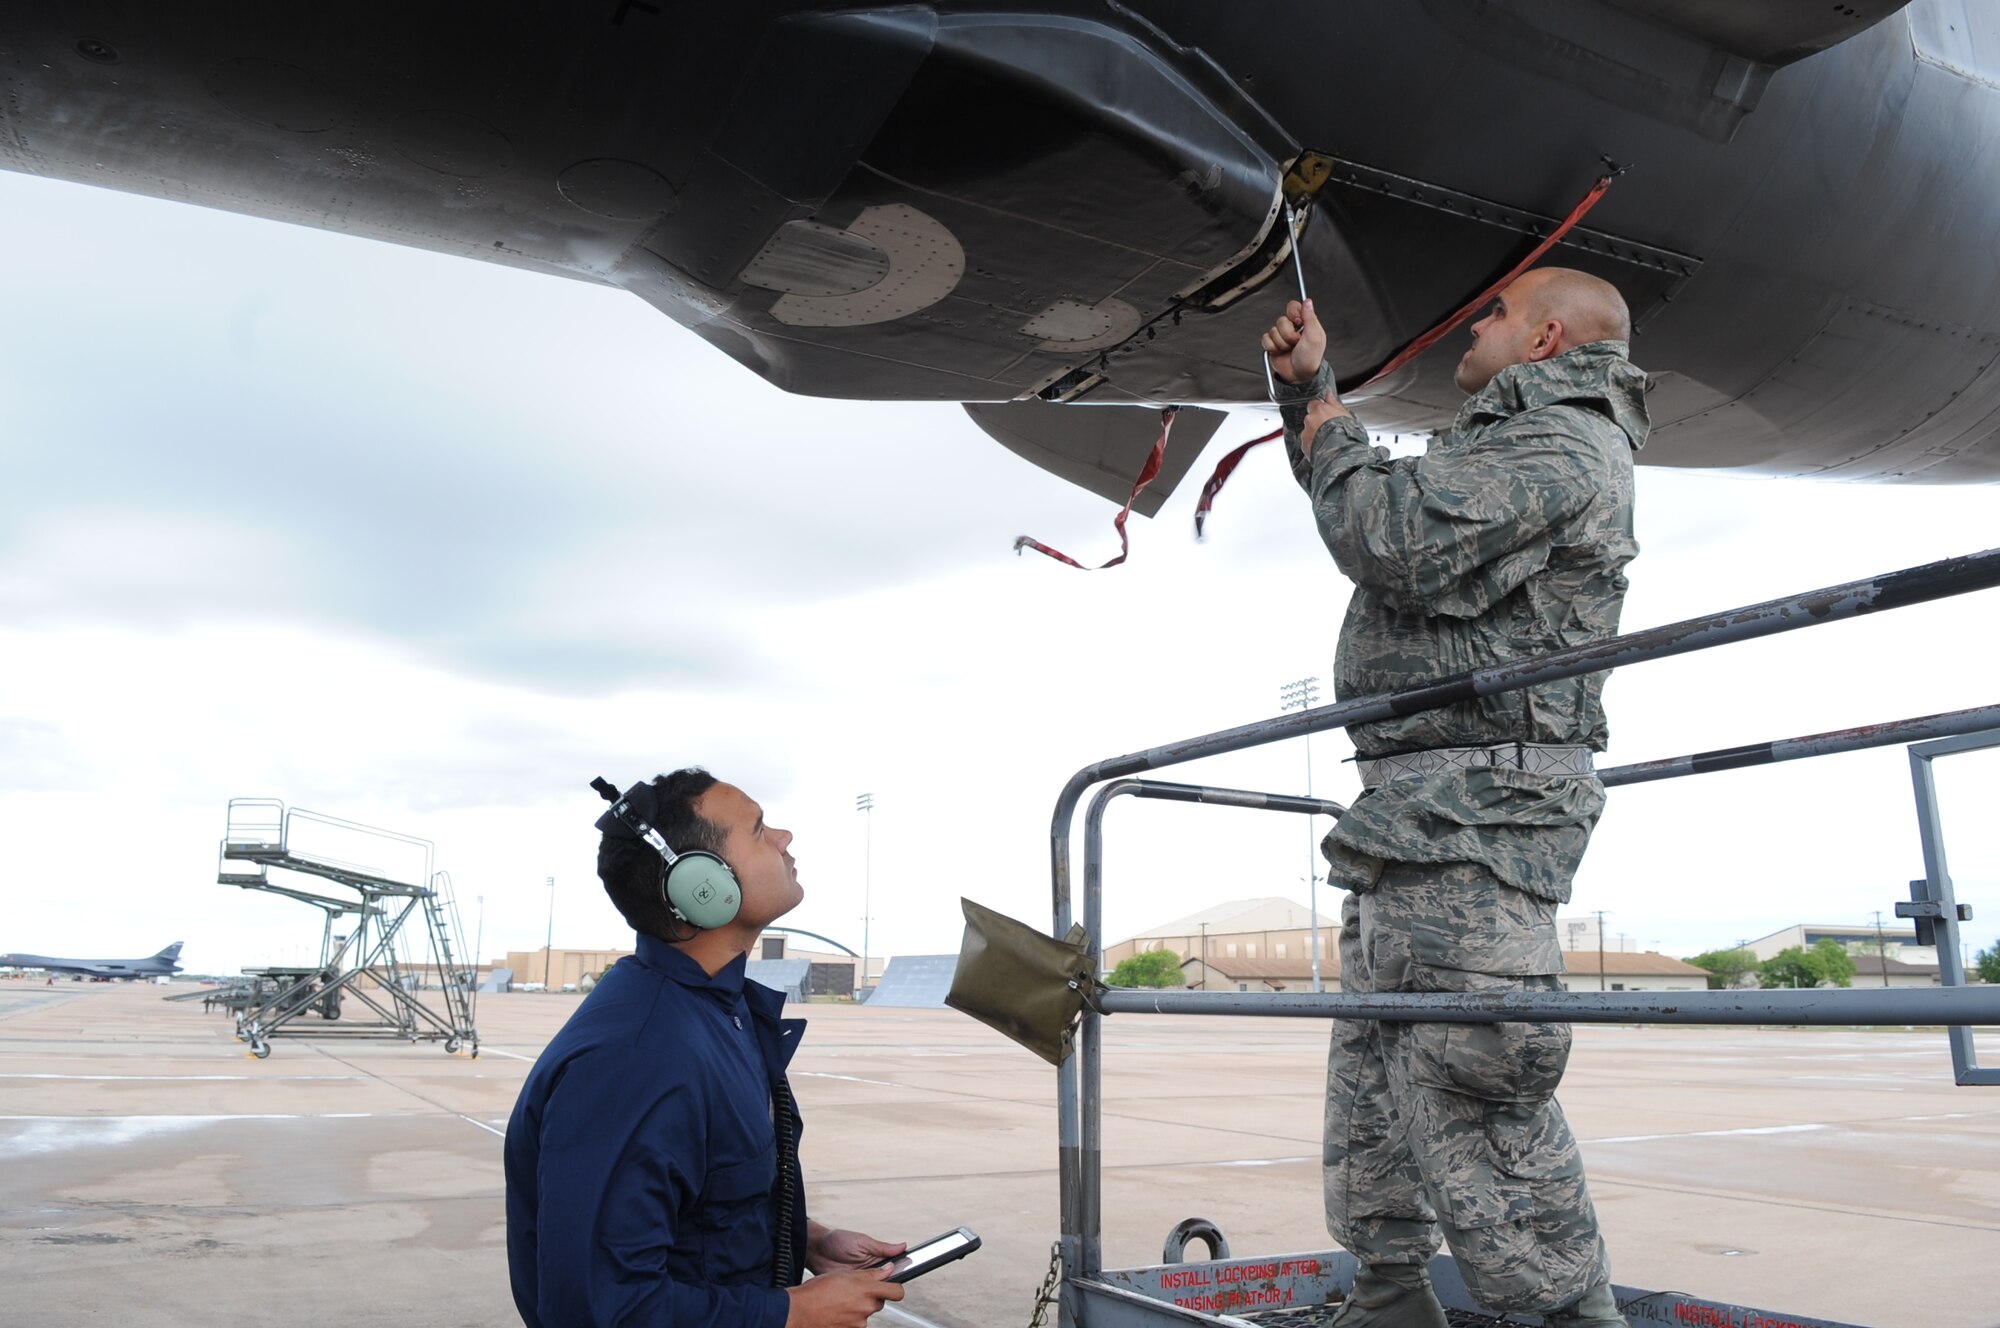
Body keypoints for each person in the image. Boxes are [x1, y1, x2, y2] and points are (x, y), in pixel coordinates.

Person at [1260, 268, 1647, 1328]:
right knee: (1378, 1070)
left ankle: (1571, 1317)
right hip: (1416, 808)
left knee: (1477, 1070)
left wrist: (1331, 416)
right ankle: (1388, 1295)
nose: (1469, 321)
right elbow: (1382, 506)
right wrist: (1308, 396)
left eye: (1492, 312)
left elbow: (1391, 535)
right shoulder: (1503, 443)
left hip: (1479, 812)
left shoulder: (1559, 447)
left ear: (1543, 339)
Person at [504, 768, 907, 1328]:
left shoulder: (717, 1012)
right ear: (702, 884)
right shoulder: (637, 1060)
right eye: (760, 828)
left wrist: (803, 1240)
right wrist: (791, 1312)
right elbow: (597, 1308)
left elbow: (698, 1209)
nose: (784, 838)